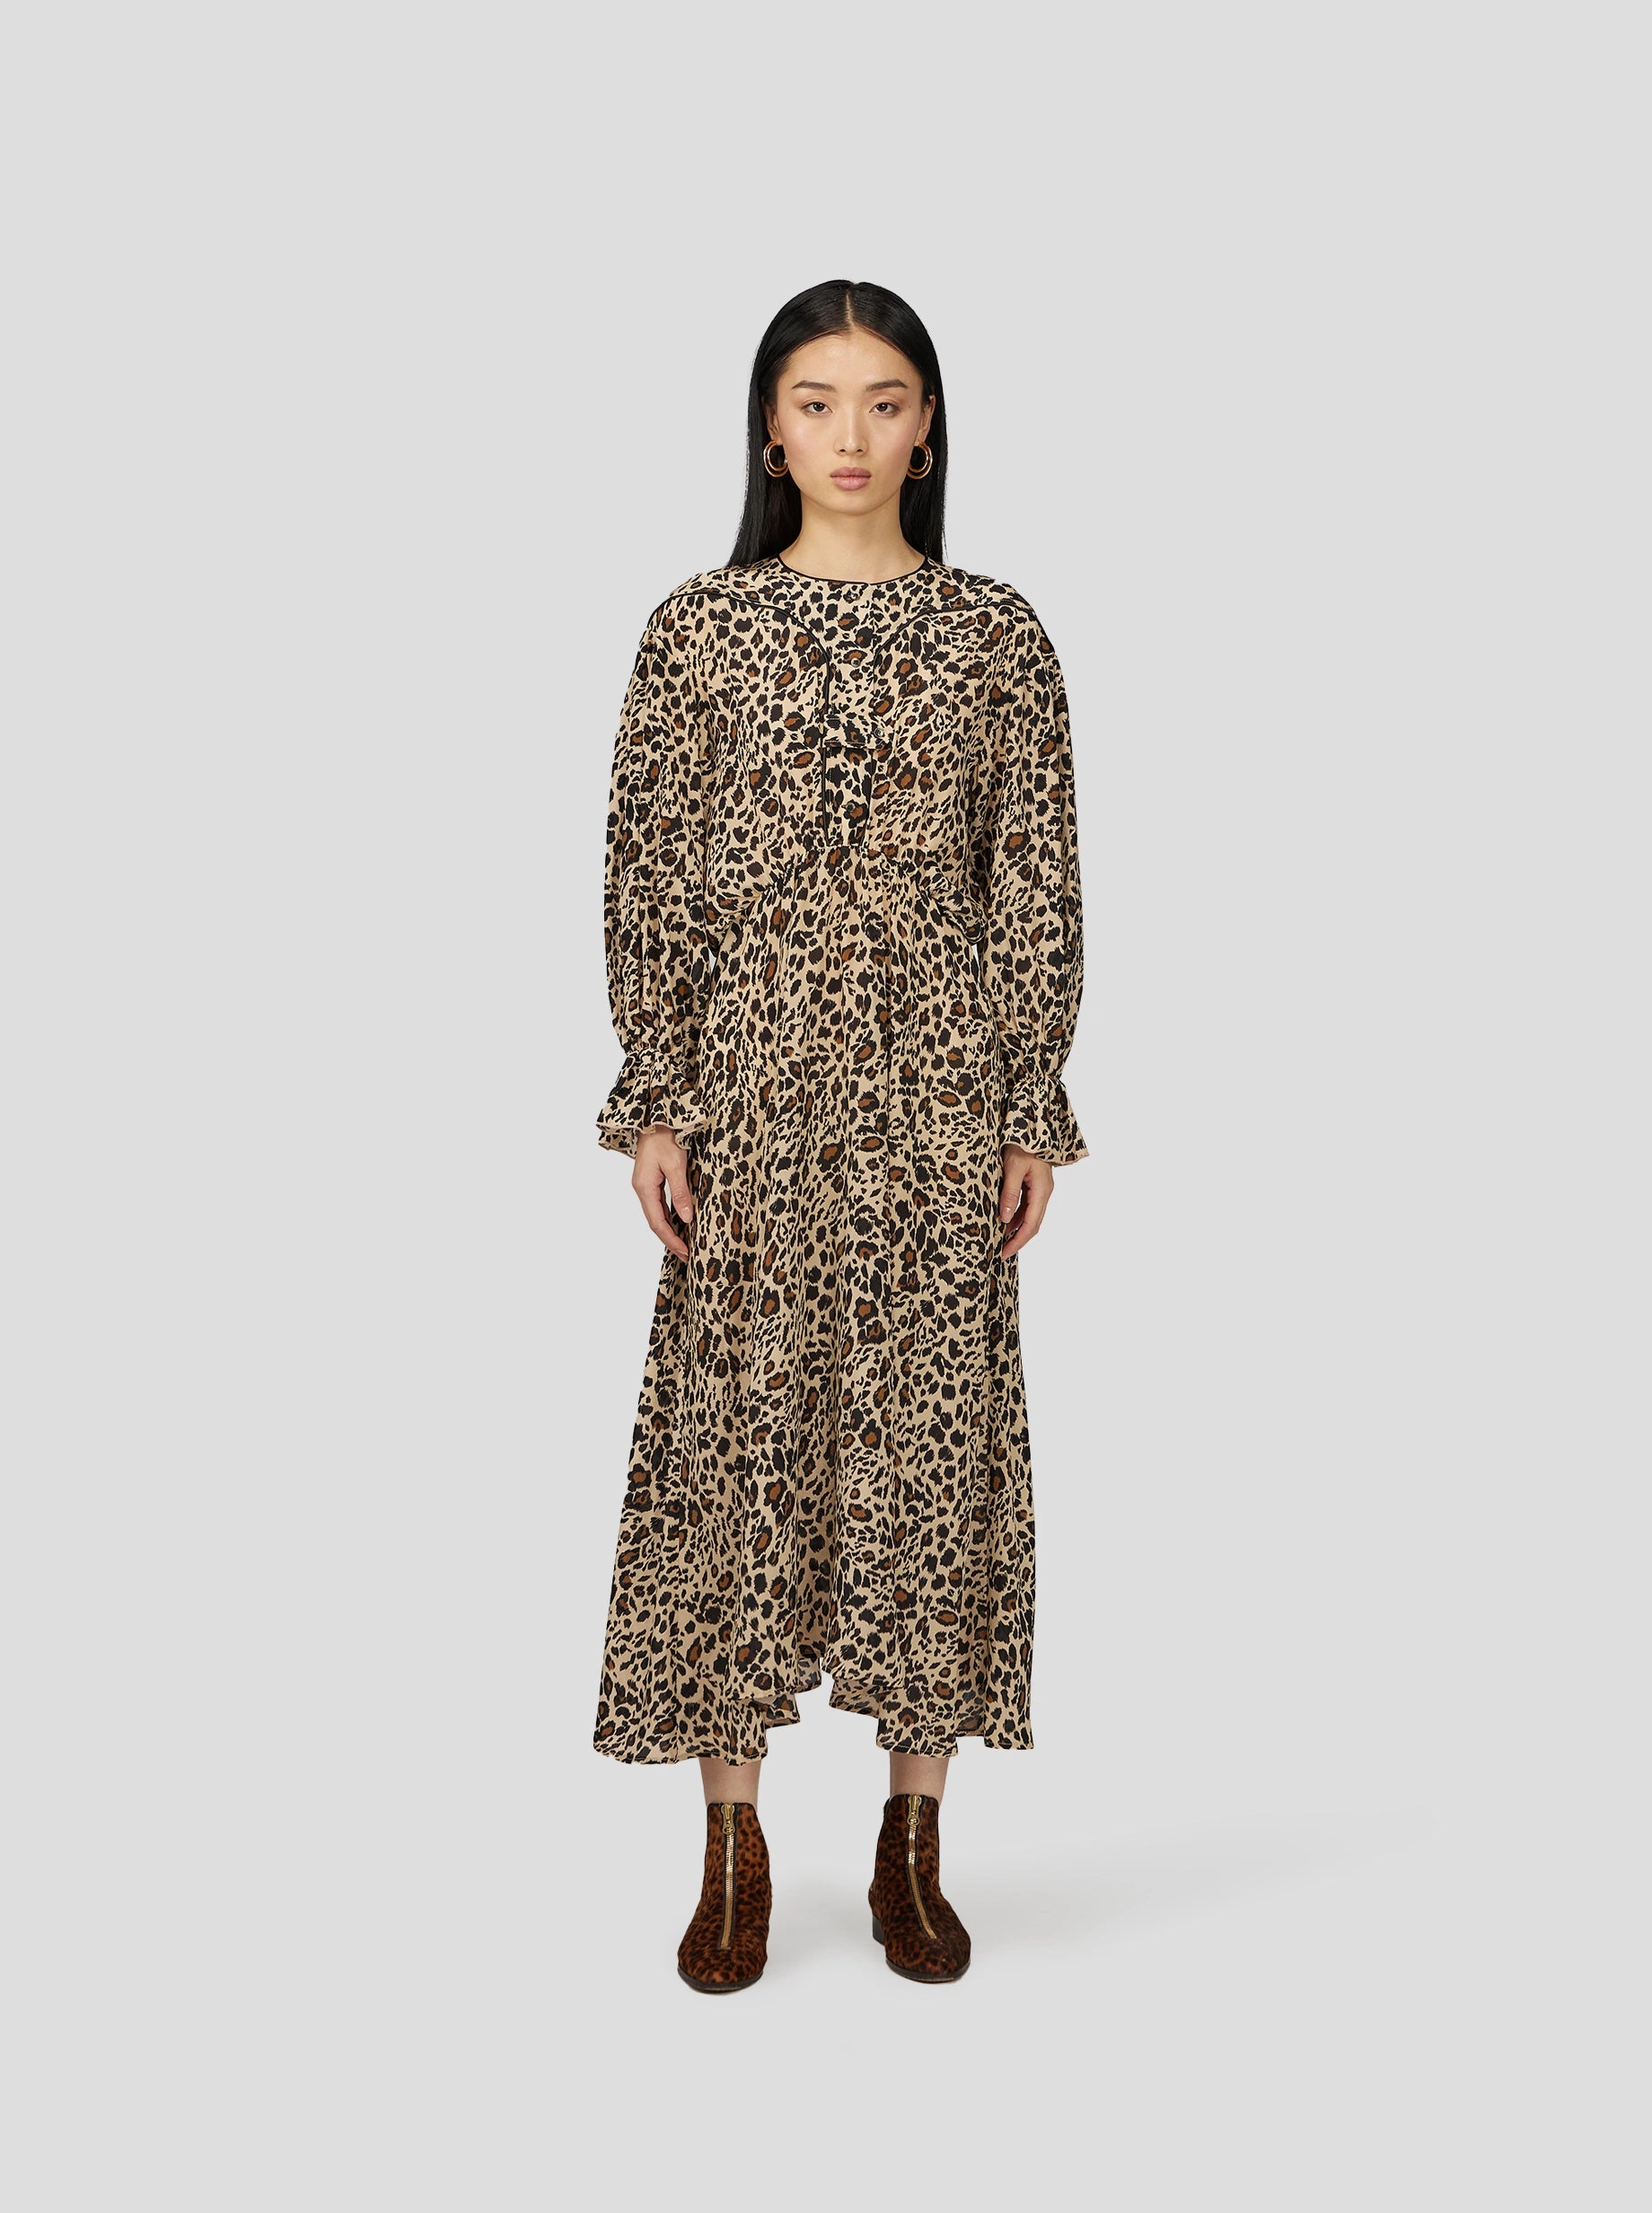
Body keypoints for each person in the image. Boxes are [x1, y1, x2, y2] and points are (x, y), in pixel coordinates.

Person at [592, 279, 1087, 1990]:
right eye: (818, 402)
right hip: (750, 1096)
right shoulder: (698, 631)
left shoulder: (997, 637)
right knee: (734, 1453)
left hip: (938, 1104)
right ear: (770, 427)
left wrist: (1026, 1101)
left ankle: (913, 1841)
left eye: (885, 401)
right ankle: (731, 1847)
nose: (852, 435)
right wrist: (659, 1095)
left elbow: (1035, 882)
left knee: (932, 1457)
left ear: (928, 424)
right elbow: (650, 870)